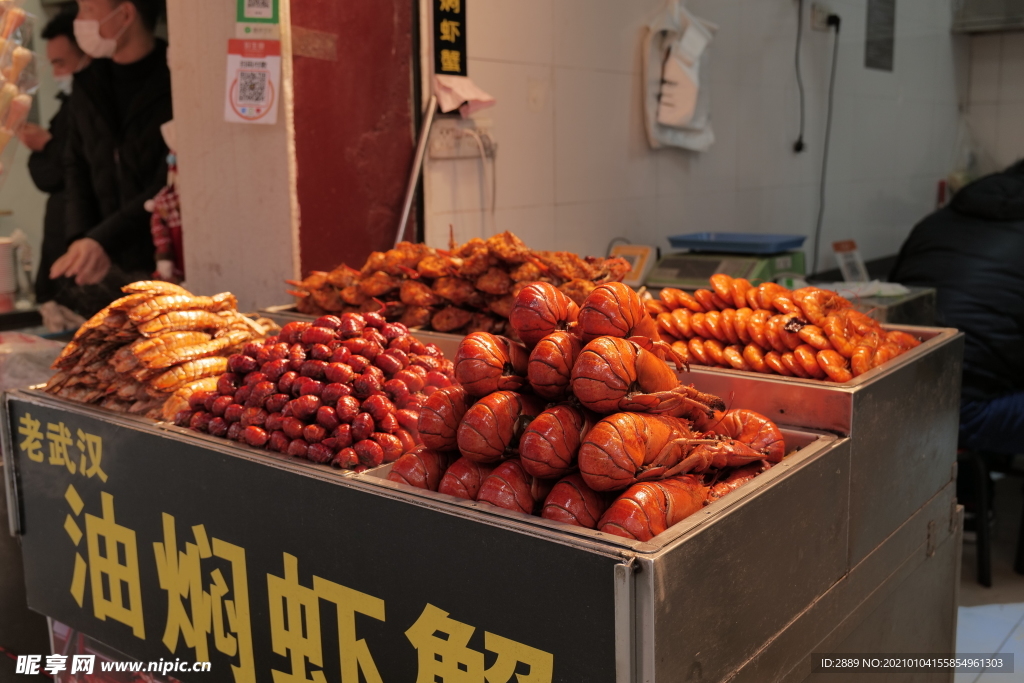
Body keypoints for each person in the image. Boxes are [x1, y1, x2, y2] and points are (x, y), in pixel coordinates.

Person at [889, 159, 1024, 455]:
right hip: (968, 414)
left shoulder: (936, 220)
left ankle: (976, 489)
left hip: (895, 397)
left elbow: (896, 290)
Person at [48, 0, 170, 313]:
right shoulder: (88, 81)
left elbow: (168, 179)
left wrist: (104, 239)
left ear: (126, 14)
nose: (79, 20)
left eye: (88, 9)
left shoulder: (174, 75)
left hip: (160, 261)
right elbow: (75, 166)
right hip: (100, 264)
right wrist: (82, 238)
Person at [18, 7, 90, 329]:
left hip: (86, 275)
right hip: (61, 267)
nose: (55, 72)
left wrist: (46, 146)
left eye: (61, 62)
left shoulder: (91, 110)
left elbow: (63, 173)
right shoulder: (67, 107)